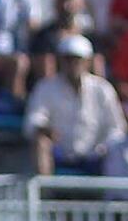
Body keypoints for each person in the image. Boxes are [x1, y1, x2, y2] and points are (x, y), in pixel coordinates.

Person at [24, 34, 122, 176]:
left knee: (116, 150)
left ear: (87, 61)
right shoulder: (46, 87)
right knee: (41, 143)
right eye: (68, 59)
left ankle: (108, 196)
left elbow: (116, 129)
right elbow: (33, 120)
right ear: (61, 60)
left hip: (96, 157)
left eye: (78, 60)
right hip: (59, 154)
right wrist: (43, 129)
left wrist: (103, 148)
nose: (73, 64)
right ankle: (45, 192)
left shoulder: (102, 89)